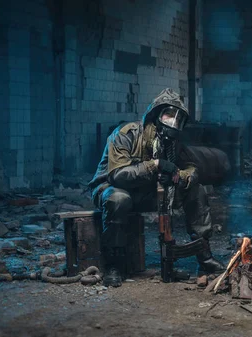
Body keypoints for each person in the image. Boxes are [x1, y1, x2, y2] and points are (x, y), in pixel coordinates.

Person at [88, 88, 224, 287]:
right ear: (156, 114)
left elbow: (192, 168)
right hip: (111, 189)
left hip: (147, 193)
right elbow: (118, 175)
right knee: (119, 199)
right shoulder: (127, 134)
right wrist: (155, 166)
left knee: (197, 190)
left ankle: (205, 257)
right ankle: (113, 265)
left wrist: (179, 176)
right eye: (169, 114)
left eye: (178, 117)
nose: (173, 120)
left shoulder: (172, 142)